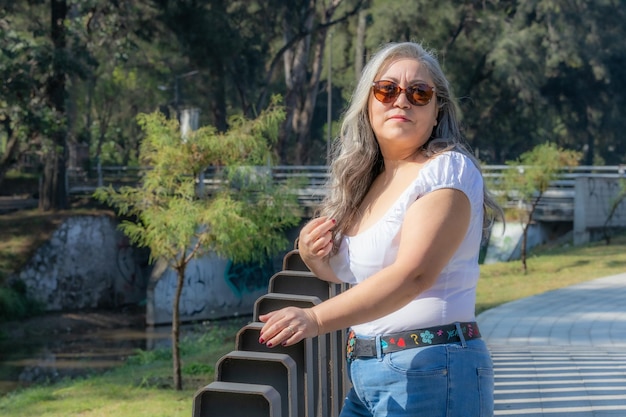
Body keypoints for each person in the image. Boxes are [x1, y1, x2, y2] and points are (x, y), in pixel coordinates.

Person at [259, 41, 503, 417]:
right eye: (386, 90)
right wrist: (312, 255)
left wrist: (314, 319)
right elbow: (351, 273)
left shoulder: (447, 171)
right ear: (369, 103)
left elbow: (413, 275)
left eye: (419, 93)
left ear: (437, 111)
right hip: (367, 375)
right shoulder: (368, 182)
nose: (401, 101)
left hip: (432, 371)